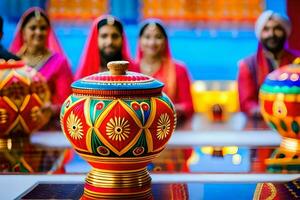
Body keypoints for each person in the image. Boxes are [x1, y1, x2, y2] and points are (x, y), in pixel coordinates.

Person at [10, 7, 73, 127]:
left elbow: (67, 101)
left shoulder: (59, 62)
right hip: (14, 126)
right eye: (33, 28)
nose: (38, 32)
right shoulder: (13, 62)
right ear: (23, 32)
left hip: (48, 128)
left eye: (43, 28)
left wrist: (52, 109)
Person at [237, 10, 300, 118]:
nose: (272, 34)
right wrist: (270, 112)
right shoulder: (247, 65)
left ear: (285, 32)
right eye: (266, 29)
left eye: (277, 29)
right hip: (262, 126)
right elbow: (247, 103)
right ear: (260, 34)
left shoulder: (297, 61)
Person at [135, 19, 194, 121]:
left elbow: (189, 106)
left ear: (165, 41)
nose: (152, 42)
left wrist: (165, 109)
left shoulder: (179, 69)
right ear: (140, 41)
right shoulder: (130, 69)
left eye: (158, 37)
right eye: (147, 37)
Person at [75, 15, 136, 80]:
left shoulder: (134, 72)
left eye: (115, 36)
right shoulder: (84, 73)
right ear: (95, 38)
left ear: (122, 39)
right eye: (104, 36)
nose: (109, 42)